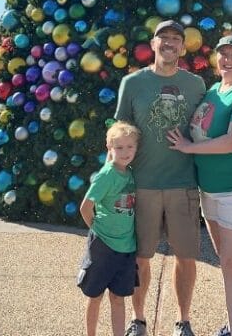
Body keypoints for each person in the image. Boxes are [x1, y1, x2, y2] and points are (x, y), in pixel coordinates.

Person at [166, 35, 232, 336]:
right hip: (210, 190)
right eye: (222, 54)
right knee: (227, 263)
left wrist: (187, 148)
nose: (227, 59)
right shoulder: (214, 90)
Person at [115, 20, 206, 336]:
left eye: (175, 39)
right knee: (140, 258)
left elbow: (207, 130)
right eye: (163, 37)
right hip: (143, 185)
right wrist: (114, 180)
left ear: (183, 47)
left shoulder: (196, 85)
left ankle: (183, 320)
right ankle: (138, 319)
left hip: (184, 184)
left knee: (186, 257)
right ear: (152, 44)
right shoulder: (133, 83)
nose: (169, 43)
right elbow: (119, 134)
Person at [78, 122, 141, 336]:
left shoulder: (131, 174)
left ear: (136, 148)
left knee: (118, 297)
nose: (125, 152)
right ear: (109, 148)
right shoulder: (106, 175)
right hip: (103, 246)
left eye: (130, 147)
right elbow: (86, 207)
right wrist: (97, 232)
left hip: (126, 248)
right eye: (119, 147)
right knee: (95, 296)